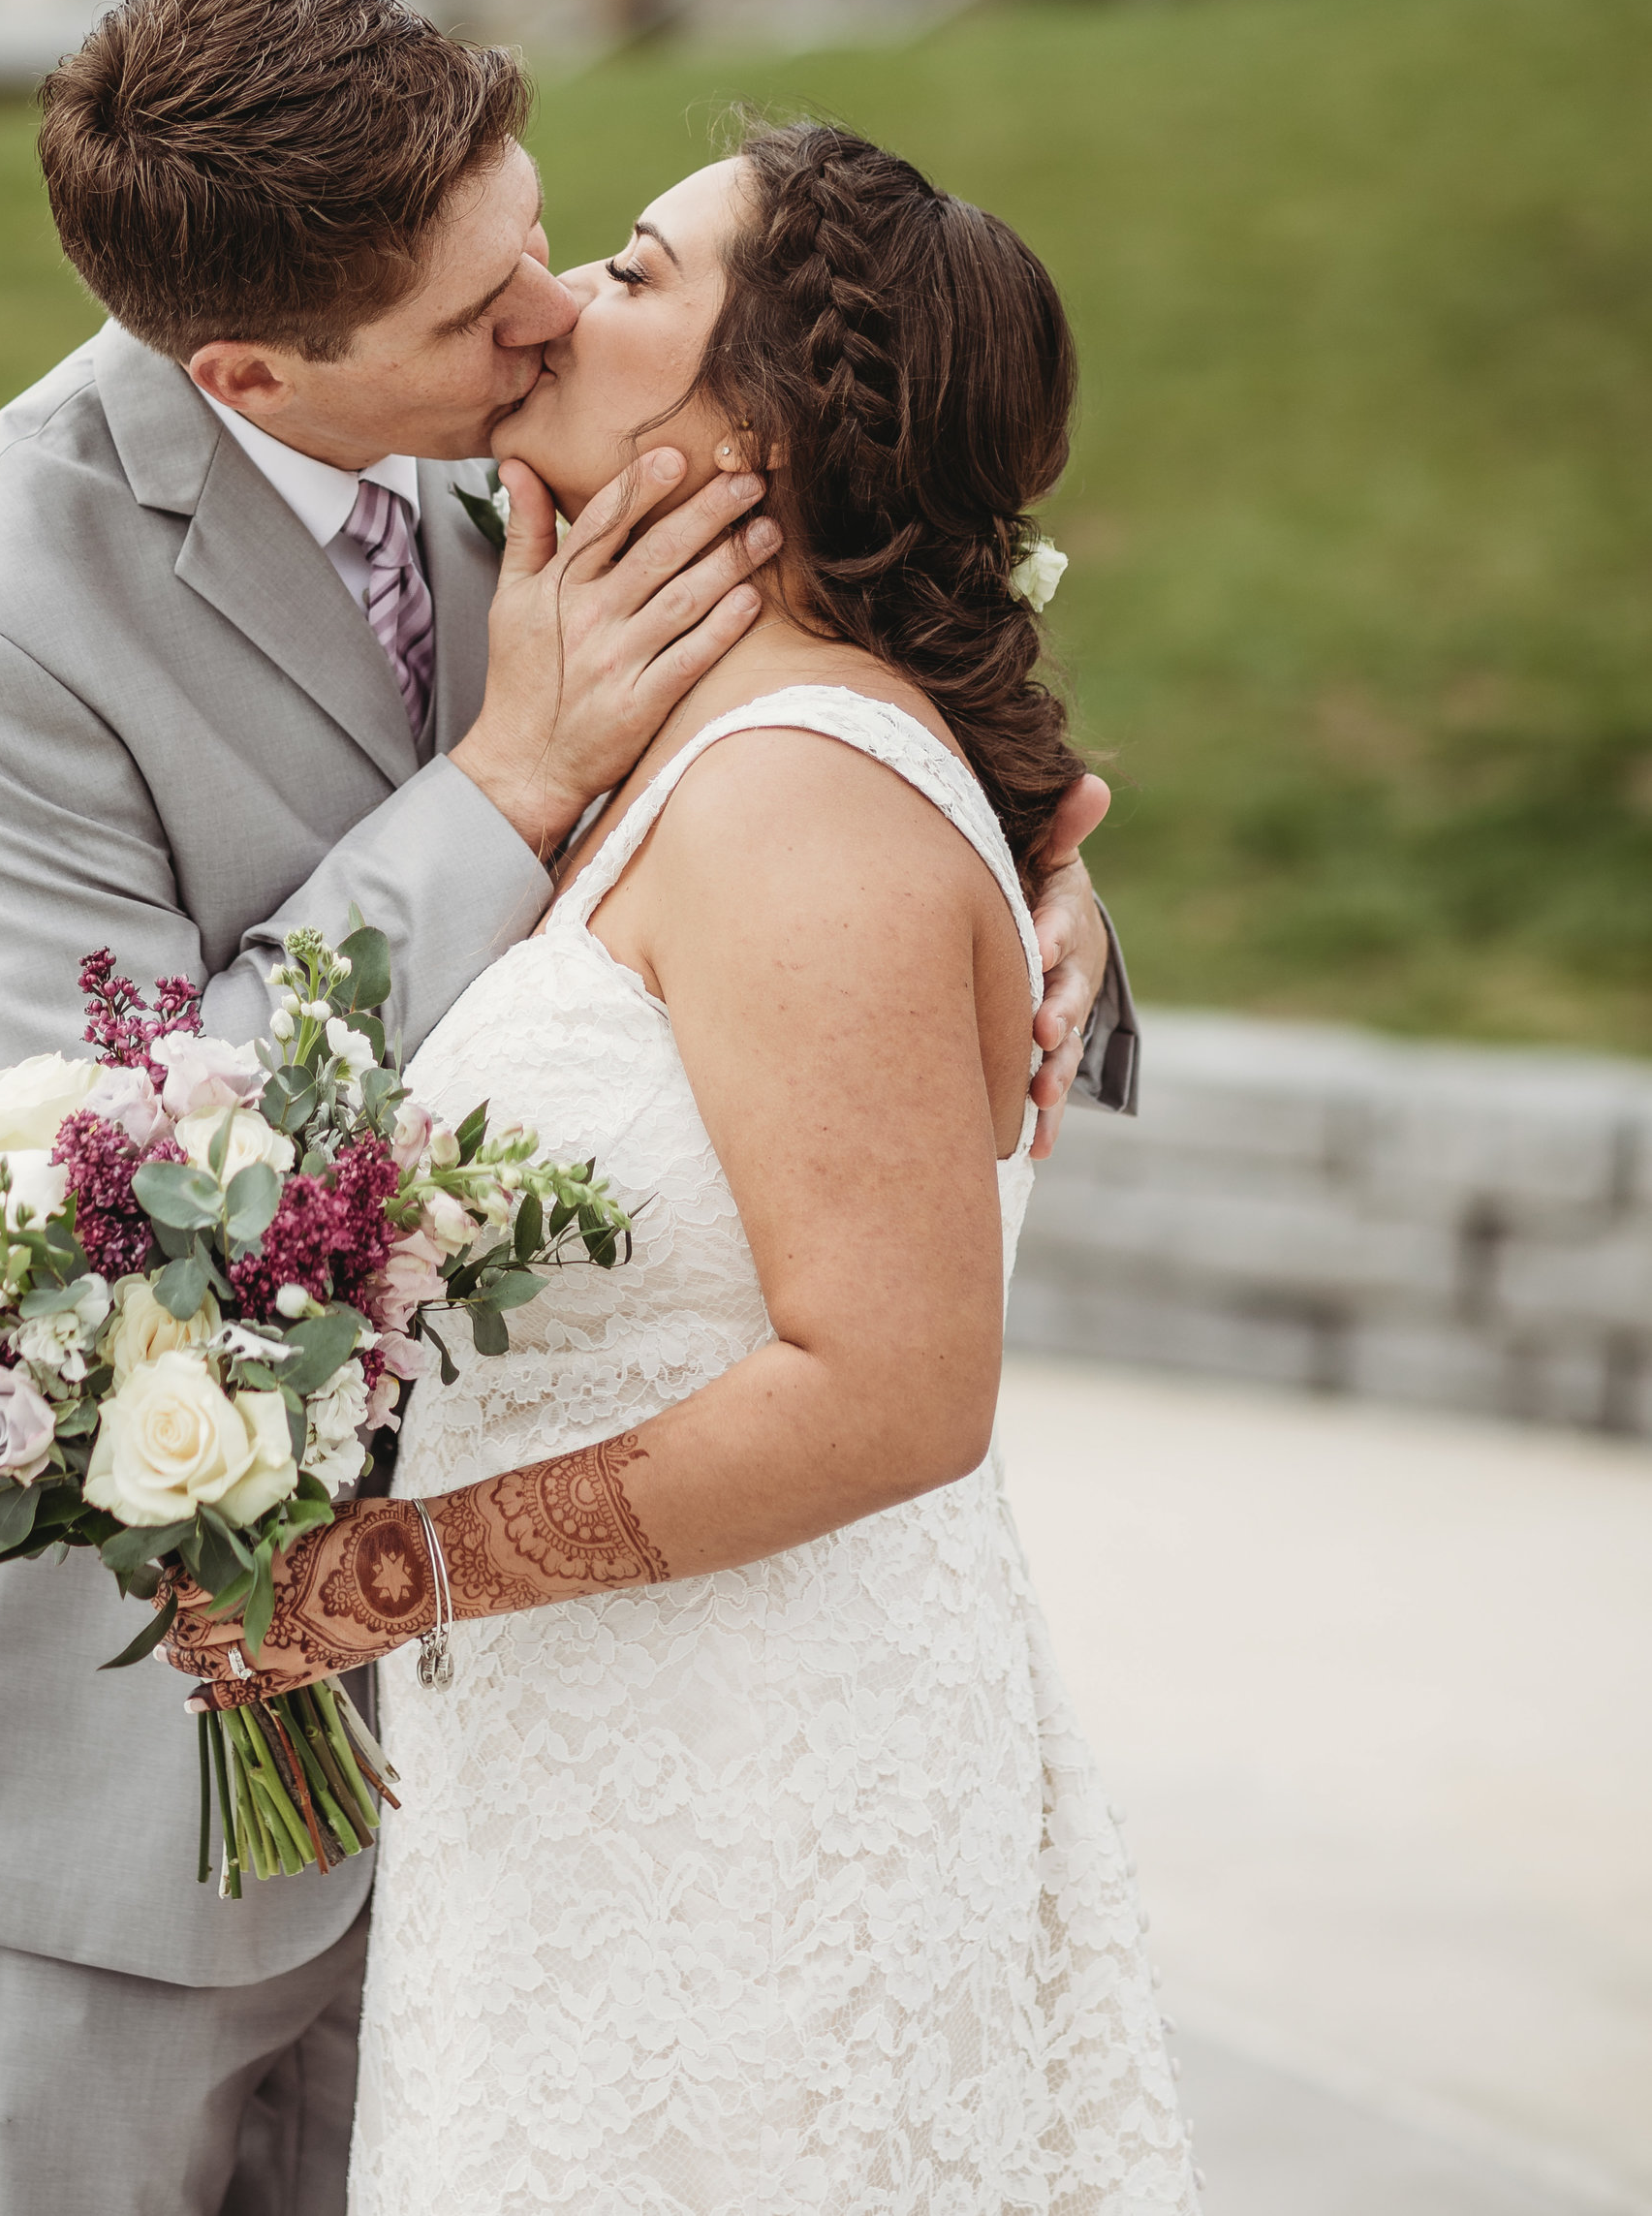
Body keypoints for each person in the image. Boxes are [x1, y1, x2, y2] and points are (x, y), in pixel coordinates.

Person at [0, 0, 1137, 2216]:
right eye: (486, 306)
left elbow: (845, 746)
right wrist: (502, 778)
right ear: (250, 374)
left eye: (555, 248)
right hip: (143, 1721)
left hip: (558, 1731)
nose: (536, 315)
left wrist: (1029, 890)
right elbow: (98, 1169)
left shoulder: (554, 476)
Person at [168, 119, 1195, 2213]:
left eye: (633, 272)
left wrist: (392, 1575)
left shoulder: (793, 789)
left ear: (769, 422)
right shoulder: (695, 747)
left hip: (756, 1791)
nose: (553, 308)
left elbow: (895, 1388)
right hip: (609, 1774)